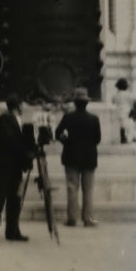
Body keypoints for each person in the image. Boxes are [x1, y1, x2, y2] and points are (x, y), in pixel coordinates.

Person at [0, 92, 37, 242]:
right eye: (21, 105)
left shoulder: (14, 119)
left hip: (13, 165)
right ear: (18, 105)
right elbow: (11, 142)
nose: (23, 107)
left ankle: (12, 231)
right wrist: (25, 152)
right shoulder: (5, 119)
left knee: (14, 198)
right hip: (4, 165)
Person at [55, 87, 102, 227]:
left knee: (72, 188)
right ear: (87, 103)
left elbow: (57, 133)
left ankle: (72, 218)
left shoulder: (68, 117)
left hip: (71, 156)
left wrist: (66, 142)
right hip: (89, 158)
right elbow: (98, 139)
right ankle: (88, 219)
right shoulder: (94, 119)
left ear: (75, 103)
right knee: (88, 189)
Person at [111, 78, 133, 144]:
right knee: (126, 125)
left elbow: (113, 102)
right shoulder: (128, 94)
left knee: (120, 125)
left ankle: (121, 137)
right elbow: (131, 102)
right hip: (126, 110)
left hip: (117, 110)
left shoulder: (115, 95)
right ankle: (124, 138)